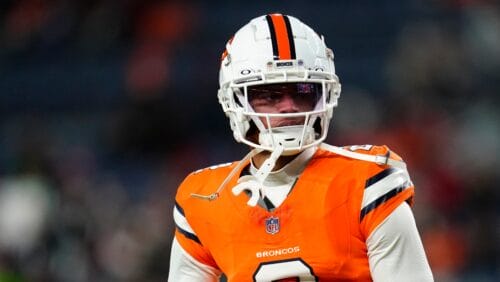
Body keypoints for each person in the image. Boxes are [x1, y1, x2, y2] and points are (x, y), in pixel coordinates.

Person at [168, 13, 434, 281]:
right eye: (269, 94)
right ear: (236, 101)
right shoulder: (204, 198)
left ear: (325, 94)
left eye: (303, 91)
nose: (289, 105)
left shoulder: (367, 182)